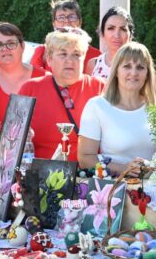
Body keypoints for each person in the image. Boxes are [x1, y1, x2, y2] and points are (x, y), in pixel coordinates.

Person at [19, 29, 104, 161]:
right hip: (40, 174)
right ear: (49, 59)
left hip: (89, 174)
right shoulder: (29, 89)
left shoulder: (101, 88)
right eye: (63, 54)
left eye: (76, 54)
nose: (69, 61)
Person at [78, 42, 156, 176]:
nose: (133, 73)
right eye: (127, 66)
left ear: (147, 73)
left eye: (140, 67)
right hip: (113, 190)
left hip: (153, 190)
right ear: (116, 71)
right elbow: (85, 159)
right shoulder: (96, 106)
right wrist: (124, 169)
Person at [0, 22, 46, 141]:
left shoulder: (44, 78)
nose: (5, 49)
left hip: (42, 156)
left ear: (23, 46)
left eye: (11, 44)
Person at [29, 0, 101, 72]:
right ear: (54, 23)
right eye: (61, 18)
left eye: (72, 17)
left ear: (80, 22)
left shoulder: (96, 56)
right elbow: (34, 79)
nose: (66, 21)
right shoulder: (43, 51)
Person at [86, 6, 133, 81]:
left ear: (130, 34)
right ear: (102, 33)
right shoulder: (93, 64)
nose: (116, 35)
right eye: (111, 28)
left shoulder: (139, 65)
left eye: (123, 29)